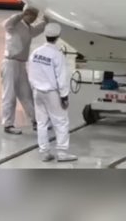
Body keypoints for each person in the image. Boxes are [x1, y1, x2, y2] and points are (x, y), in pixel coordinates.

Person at [26, 23, 76, 162]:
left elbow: (30, 72)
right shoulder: (57, 55)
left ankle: (45, 152)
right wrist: (64, 96)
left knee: (42, 123)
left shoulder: (36, 52)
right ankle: (62, 153)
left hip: (37, 92)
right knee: (61, 122)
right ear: (58, 36)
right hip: (52, 93)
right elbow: (61, 78)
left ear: (45, 35)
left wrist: (34, 87)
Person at [0, 7, 47, 134]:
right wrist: (21, 15)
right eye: (30, 14)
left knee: (26, 94)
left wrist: (46, 19)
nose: (33, 18)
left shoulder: (29, 28)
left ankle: (36, 121)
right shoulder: (14, 25)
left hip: (21, 64)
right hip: (10, 63)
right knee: (9, 94)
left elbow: (39, 28)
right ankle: (8, 124)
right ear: (25, 13)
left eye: (35, 16)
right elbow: (7, 24)